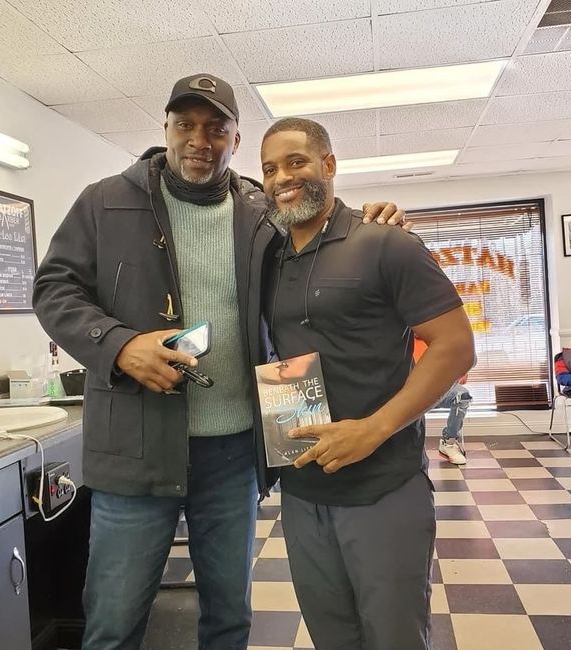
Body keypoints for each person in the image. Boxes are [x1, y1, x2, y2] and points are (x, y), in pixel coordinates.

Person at [32, 74, 407, 650]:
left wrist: (371, 221)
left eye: (216, 128)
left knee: (230, 616)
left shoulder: (261, 206)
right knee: (114, 620)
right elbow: (54, 288)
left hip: (234, 451)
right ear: (165, 129)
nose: (198, 140)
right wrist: (119, 345)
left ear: (235, 139)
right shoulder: (104, 200)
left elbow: (317, 232)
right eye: (185, 125)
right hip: (136, 448)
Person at [259, 117, 475, 650]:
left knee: (394, 637)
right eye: (269, 169)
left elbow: (455, 347)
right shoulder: (266, 258)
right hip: (303, 488)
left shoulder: (386, 244)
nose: (282, 177)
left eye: (296, 161)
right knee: (333, 636)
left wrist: (374, 429)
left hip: (384, 487)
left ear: (328, 166)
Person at [414, 336, 472, 465]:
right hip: (411, 393)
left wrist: (460, 371)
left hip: (438, 390)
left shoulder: (441, 337)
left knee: (461, 396)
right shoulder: (402, 339)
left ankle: (449, 443)